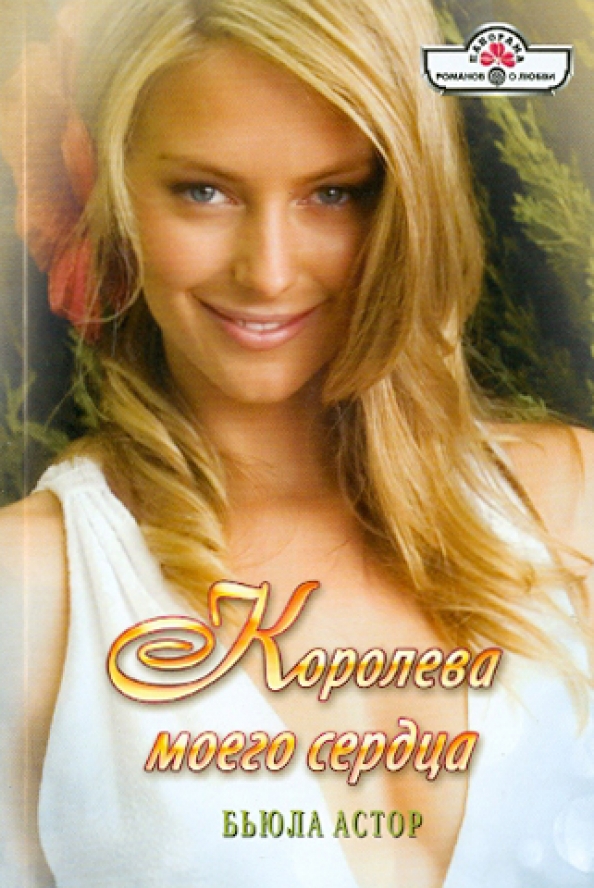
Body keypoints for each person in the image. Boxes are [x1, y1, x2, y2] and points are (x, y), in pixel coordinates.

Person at [0, 0, 592, 886]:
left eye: (333, 192)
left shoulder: (574, 507)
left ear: (409, 198)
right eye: (204, 191)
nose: (269, 271)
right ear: (111, 189)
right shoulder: (32, 589)